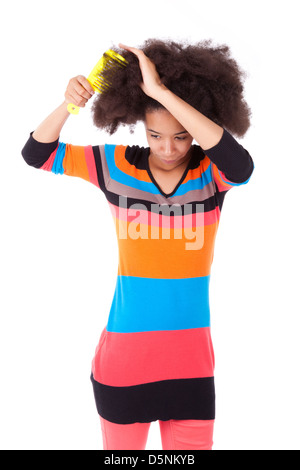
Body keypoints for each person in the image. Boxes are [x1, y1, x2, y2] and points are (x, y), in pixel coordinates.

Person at [21, 38, 255, 450]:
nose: (168, 148)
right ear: (140, 126)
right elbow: (36, 153)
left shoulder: (212, 176)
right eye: (155, 134)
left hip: (192, 367)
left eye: (182, 136)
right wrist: (68, 104)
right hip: (124, 365)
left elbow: (243, 167)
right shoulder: (114, 167)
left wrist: (162, 93)